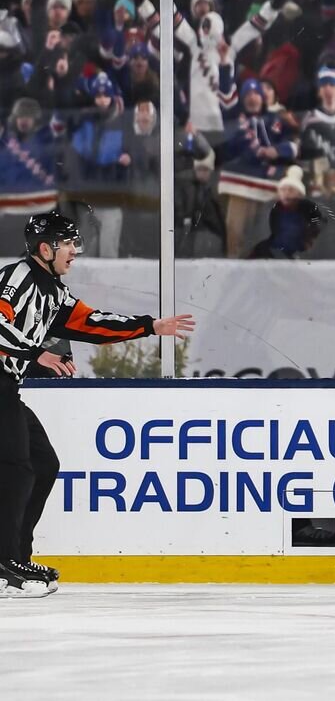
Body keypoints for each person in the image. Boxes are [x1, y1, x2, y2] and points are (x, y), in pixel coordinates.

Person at [0, 211, 194, 596]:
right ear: (45, 248)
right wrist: (37, 352)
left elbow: (91, 323)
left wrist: (149, 326)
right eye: (68, 244)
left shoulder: (53, 291)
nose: (75, 251)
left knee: (42, 464)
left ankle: (16, 556)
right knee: (18, 470)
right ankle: (5, 567)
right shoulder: (15, 278)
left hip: (8, 386)